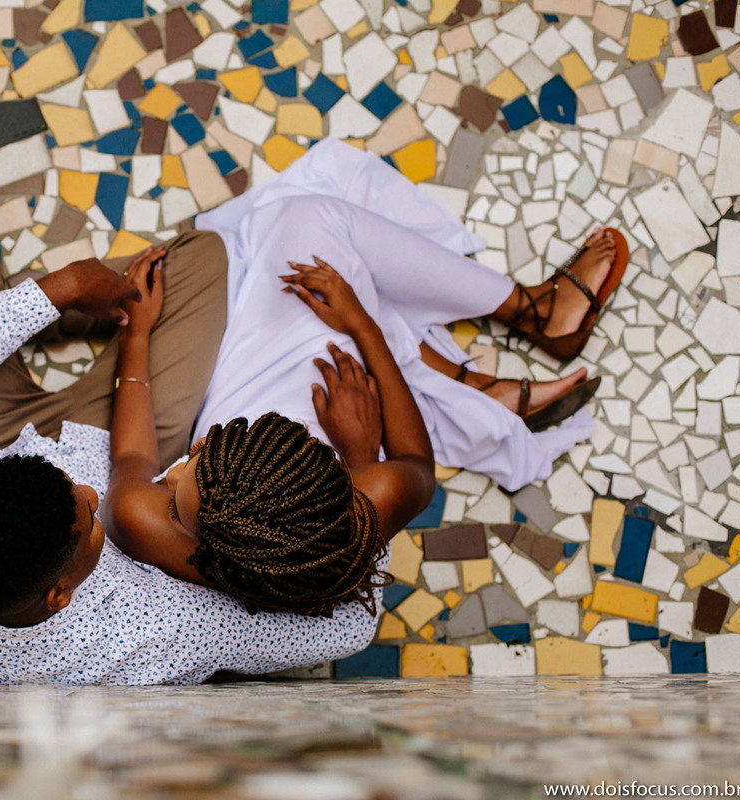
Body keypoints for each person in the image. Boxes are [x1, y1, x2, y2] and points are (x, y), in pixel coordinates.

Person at [0, 37, 394, 685]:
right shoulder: (161, 631)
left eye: (69, 488)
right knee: (202, 259)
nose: (88, 491)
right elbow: (348, 626)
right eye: (87, 518)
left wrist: (55, 291)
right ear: (60, 595)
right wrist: (357, 477)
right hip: (118, 437)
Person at [101, 138, 626, 617]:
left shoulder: (140, 518)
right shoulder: (353, 516)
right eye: (179, 500)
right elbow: (416, 464)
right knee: (309, 222)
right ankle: (531, 314)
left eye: (198, 455)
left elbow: (132, 457)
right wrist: (361, 403)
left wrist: (138, 335)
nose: (171, 473)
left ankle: (471, 381)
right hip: (328, 425)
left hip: (266, 420)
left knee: (298, 255)